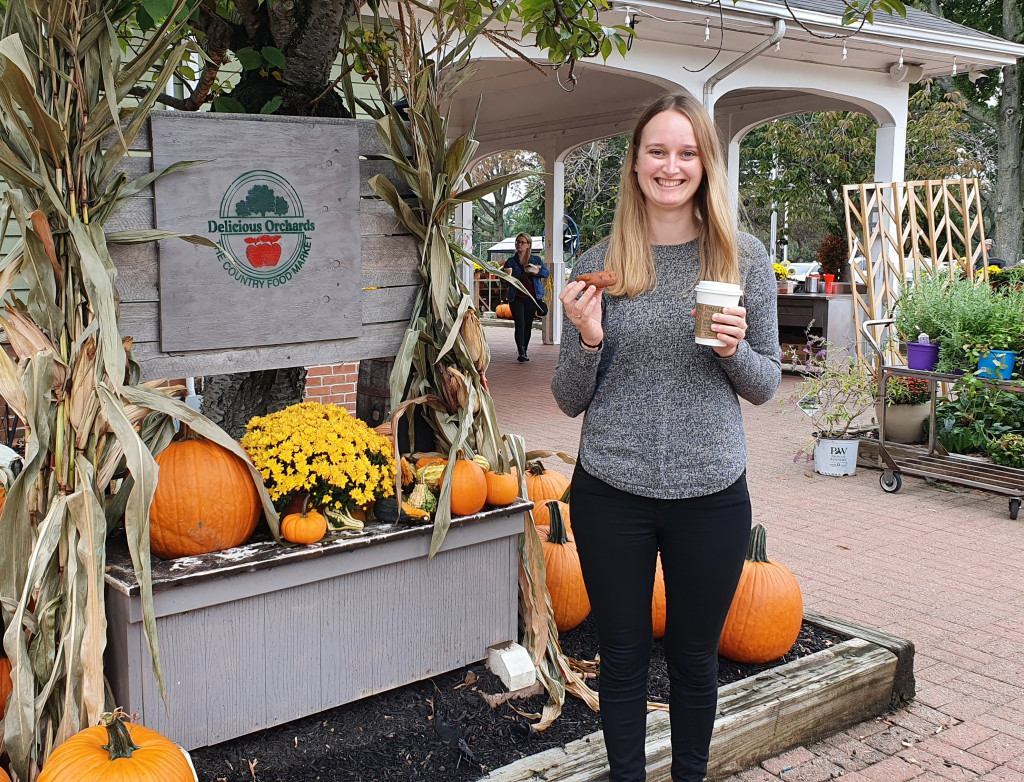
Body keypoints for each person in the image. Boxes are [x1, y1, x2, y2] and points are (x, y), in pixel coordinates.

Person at [551, 91, 781, 782]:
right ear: (635, 164)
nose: (671, 165)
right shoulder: (602, 262)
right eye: (658, 150)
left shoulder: (741, 258)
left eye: (686, 152)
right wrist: (589, 339)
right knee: (620, 655)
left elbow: (764, 383)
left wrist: (732, 351)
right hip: (609, 492)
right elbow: (567, 399)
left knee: (693, 657)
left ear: (705, 164)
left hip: (710, 491)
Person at [502, 232, 550, 362]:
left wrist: (536, 271)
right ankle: (521, 350)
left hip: (532, 297)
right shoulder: (511, 261)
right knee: (520, 323)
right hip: (516, 296)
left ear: (528, 245)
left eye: (522, 242)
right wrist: (506, 277)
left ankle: (524, 349)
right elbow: (503, 280)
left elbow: (546, 273)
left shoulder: (536, 260)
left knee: (528, 324)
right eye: (518, 242)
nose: (519, 244)